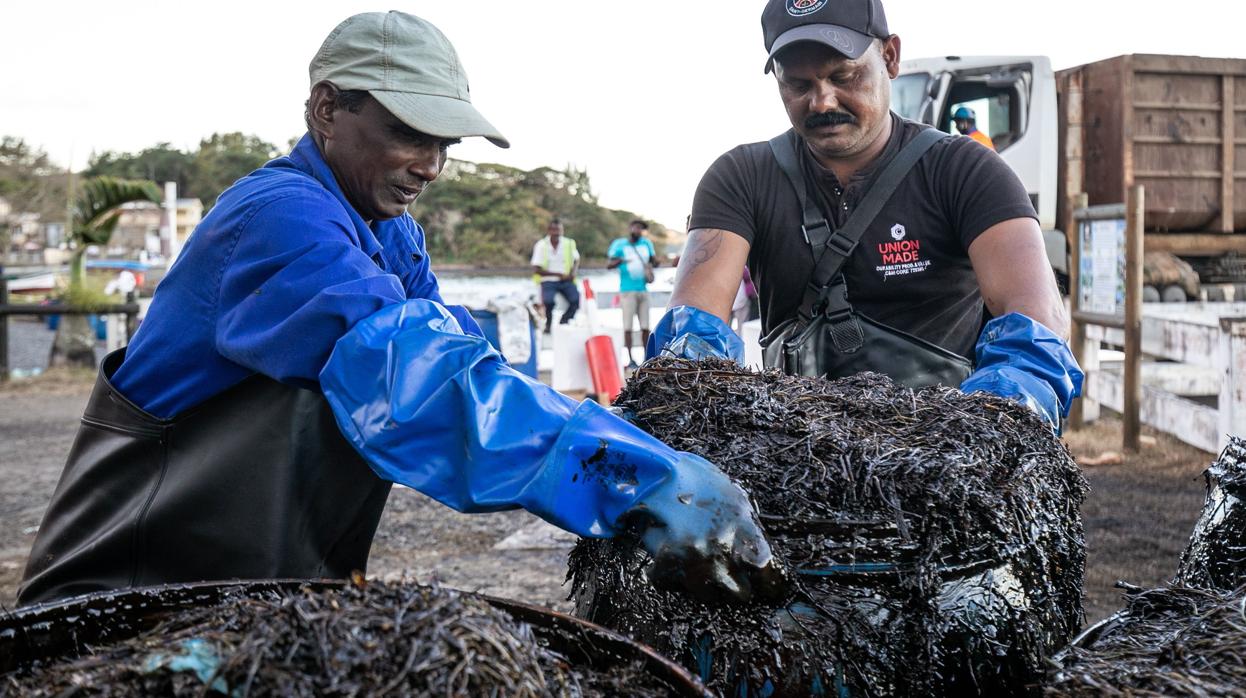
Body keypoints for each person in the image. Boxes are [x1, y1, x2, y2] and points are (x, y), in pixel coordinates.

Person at [18, 11, 781, 607]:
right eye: (408, 133)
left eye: (444, 141)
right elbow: (415, 387)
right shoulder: (277, 219)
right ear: (326, 109)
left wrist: (602, 431)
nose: (431, 164)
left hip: (267, 599)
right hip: (132, 593)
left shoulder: (395, 236)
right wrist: (631, 477)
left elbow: (460, 366)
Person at [648, 0, 1081, 429]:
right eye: (798, 84)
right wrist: (686, 402)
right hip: (792, 453)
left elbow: (1036, 325)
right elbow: (693, 330)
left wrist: (987, 427)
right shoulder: (739, 178)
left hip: (943, 450)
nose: (821, 102)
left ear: (890, 56)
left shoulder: (968, 171)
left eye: (844, 75)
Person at [607, 219, 658, 367]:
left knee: (645, 326)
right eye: (636, 227)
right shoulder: (619, 244)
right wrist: (622, 260)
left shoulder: (647, 243)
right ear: (630, 228)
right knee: (628, 326)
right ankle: (630, 359)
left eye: (641, 229)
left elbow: (653, 261)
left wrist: (654, 263)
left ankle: (646, 359)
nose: (638, 230)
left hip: (643, 290)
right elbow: (609, 264)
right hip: (627, 290)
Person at [531, 218, 580, 333]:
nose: (556, 232)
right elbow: (536, 269)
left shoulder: (569, 243)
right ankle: (548, 324)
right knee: (548, 301)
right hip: (547, 279)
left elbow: (576, 260)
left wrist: (572, 274)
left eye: (559, 230)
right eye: (554, 230)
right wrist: (557, 274)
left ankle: (564, 321)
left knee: (576, 300)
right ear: (549, 231)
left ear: (562, 231)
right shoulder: (541, 245)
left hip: (566, 280)